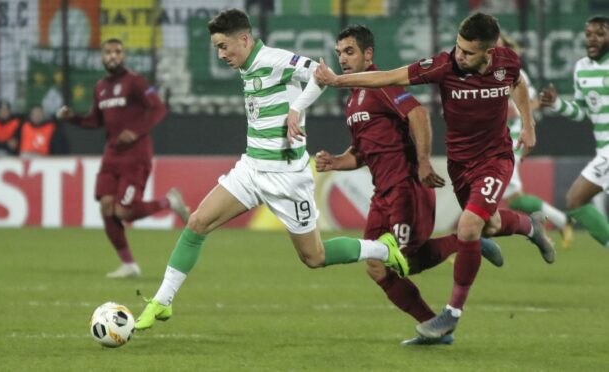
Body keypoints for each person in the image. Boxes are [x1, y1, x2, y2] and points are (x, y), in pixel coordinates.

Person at [134, 9, 409, 331]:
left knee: (314, 257)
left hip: (288, 179)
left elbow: (322, 74)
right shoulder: (246, 65)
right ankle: (162, 302)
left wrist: (296, 108)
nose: (221, 55)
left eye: (224, 46)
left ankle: (382, 248)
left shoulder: (274, 59)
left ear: (245, 39)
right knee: (197, 222)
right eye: (217, 49)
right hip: (251, 168)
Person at [315, 12, 555, 341]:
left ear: (489, 52)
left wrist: (528, 123)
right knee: (488, 225)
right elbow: (391, 81)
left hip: (494, 158)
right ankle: (530, 226)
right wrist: (338, 87)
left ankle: (450, 315)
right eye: (458, 47)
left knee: (465, 227)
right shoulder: (444, 65)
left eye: (468, 53)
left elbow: (516, 82)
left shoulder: (506, 61)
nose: (459, 56)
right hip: (459, 165)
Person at [57, 38, 190, 278]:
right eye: (108, 52)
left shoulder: (135, 81)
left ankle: (170, 201)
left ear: (124, 56)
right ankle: (128, 264)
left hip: (136, 155)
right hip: (111, 155)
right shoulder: (100, 87)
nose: (113, 56)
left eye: (117, 52)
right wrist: (73, 118)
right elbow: (95, 120)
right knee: (107, 208)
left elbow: (159, 108)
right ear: (102, 57)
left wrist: (136, 131)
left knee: (124, 211)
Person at [497, 34, 573, 248]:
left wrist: (512, 110)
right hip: (489, 142)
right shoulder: (480, 71)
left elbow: (528, 105)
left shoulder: (515, 73)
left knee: (480, 192)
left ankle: (466, 244)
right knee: (515, 200)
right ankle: (561, 220)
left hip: (506, 143)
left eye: (497, 44)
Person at [540, 16, 609, 249]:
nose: (592, 39)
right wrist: (558, 104)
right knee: (576, 201)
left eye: (600, 33)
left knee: (575, 199)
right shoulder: (582, 68)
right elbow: (582, 112)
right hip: (603, 148)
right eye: (589, 34)